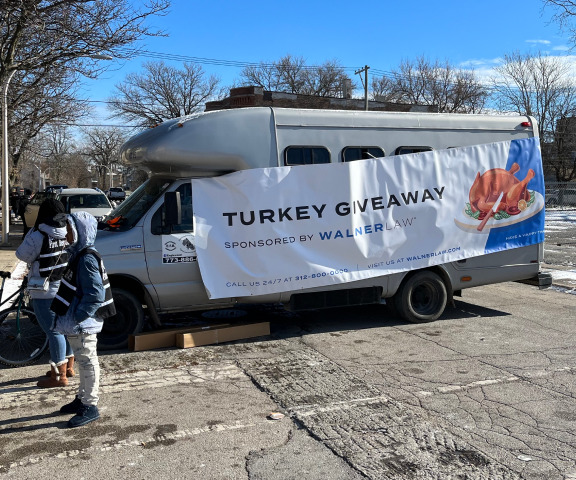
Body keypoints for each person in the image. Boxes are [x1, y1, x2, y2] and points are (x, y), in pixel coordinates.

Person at [51, 211, 115, 428]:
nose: (66, 233)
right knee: (83, 361)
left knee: (88, 362)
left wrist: (78, 317)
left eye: (70, 229)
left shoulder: (86, 258)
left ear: (81, 232)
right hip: (79, 322)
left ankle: (90, 405)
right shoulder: (81, 253)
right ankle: (82, 399)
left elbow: (95, 294)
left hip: (84, 323)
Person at [15, 199, 74, 388]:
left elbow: (21, 255)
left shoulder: (37, 234)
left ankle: (58, 376)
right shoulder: (69, 230)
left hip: (44, 291)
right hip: (66, 288)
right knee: (64, 327)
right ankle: (68, 366)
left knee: (53, 331)